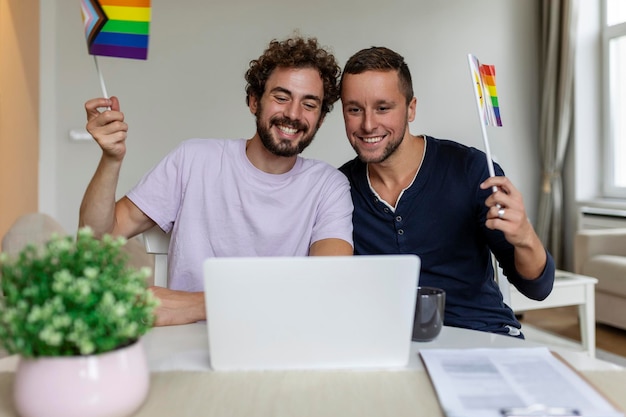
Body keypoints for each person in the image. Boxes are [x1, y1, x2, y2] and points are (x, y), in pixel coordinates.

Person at [79, 36, 354, 326]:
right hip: (188, 344)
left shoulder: (329, 186)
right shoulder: (193, 159)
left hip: (280, 342)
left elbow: (328, 286)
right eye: (281, 97)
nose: (293, 114)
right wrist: (111, 159)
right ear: (253, 101)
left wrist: (200, 305)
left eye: (309, 104)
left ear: (320, 119)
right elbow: (95, 239)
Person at [338, 46, 555, 338]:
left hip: (481, 335)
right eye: (354, 109)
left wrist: (525, 236)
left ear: (411, 108)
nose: (368, 124)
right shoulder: (338, 189)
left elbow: (538, 288)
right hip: (391, 344)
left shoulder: (473, 170)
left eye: (383, 107)